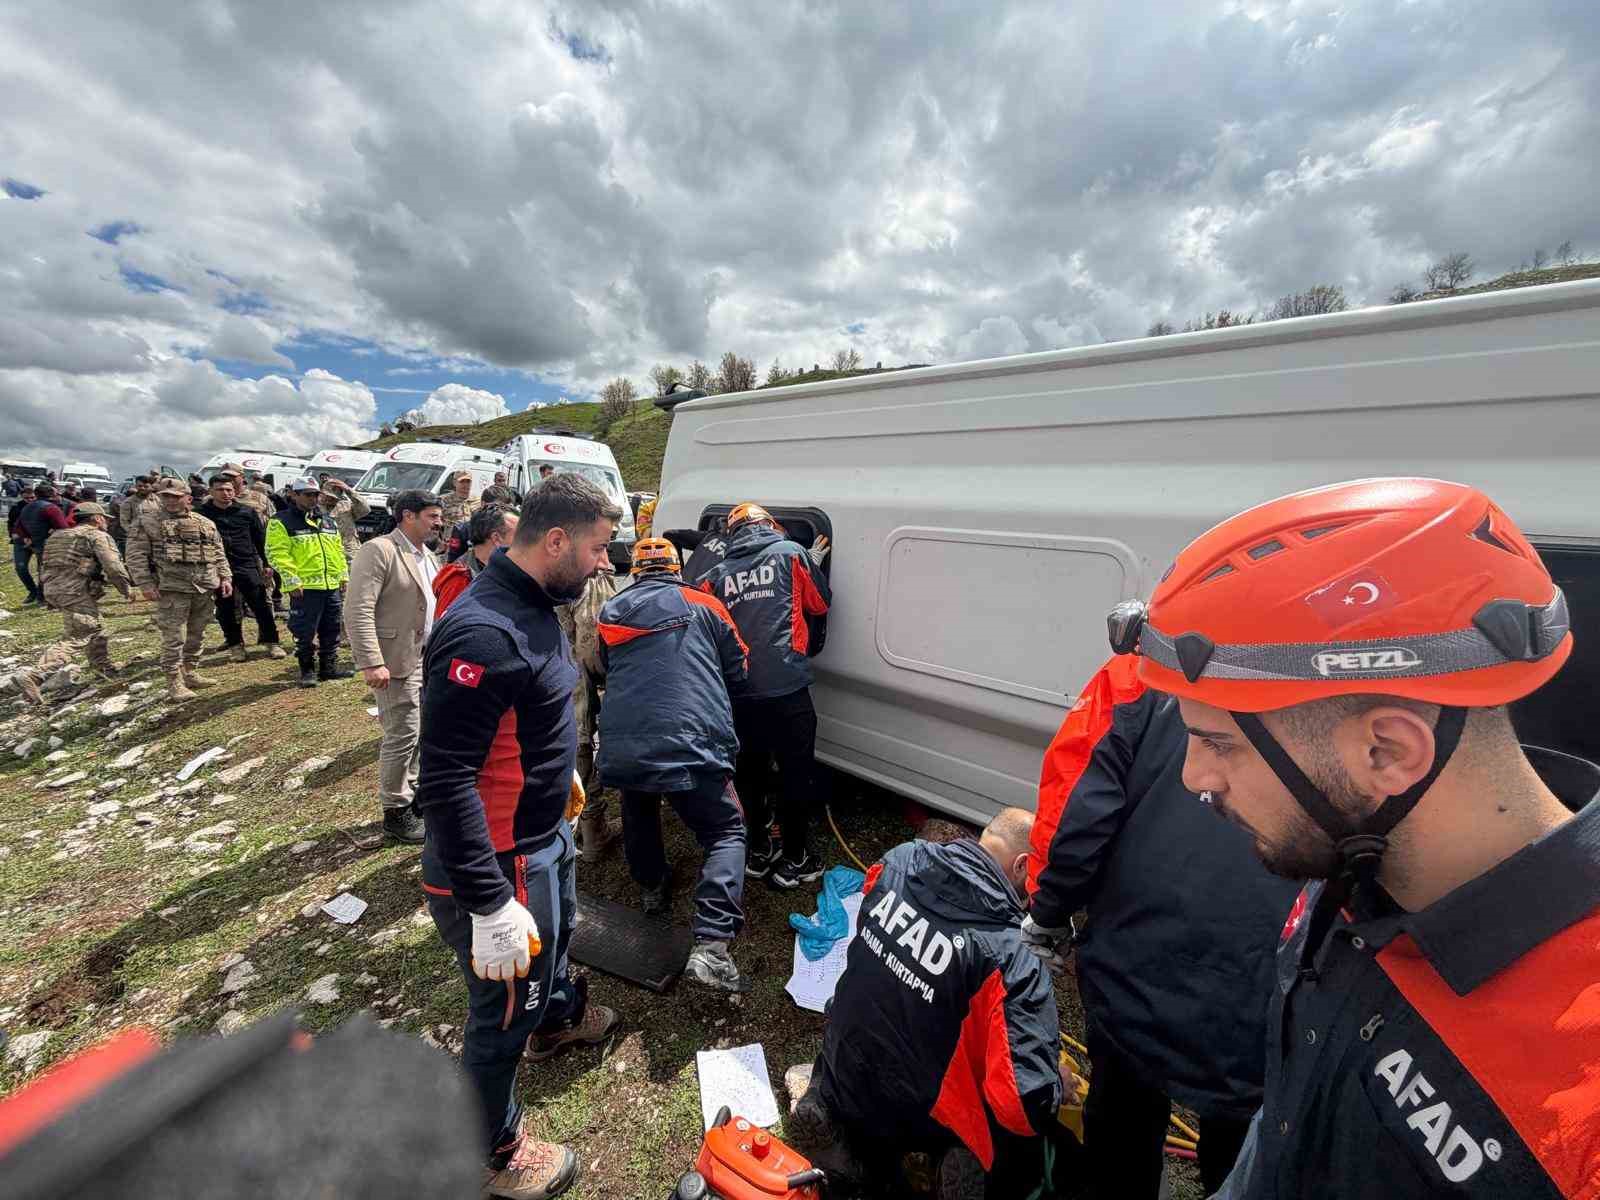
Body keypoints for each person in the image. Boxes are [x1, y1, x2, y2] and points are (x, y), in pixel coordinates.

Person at [1109, 477, 1597, 1200]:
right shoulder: (1353, 870)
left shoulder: (1579, 1114)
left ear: (1388, 754)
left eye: (1220, 744)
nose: (1194, 778)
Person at [1021, 654, 1299, 1198]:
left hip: (1135, 968)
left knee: (1121, 1130)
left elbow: (1075, 809)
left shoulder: (1144, 666)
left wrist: (1049, 912)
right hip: (1262, 985)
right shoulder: (1340, 675)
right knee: (1241, 1148)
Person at [416, 473, 623, 1200]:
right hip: (500, 865)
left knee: (555, 959)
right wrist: (488, 906)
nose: (605, 564)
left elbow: (527, 717)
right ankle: (493, 1151)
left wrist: (557, 774)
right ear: (557, 540)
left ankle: (556, 1023)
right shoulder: (483, 631)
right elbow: (442, 781)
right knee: (502, 1010)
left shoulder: (537, 604)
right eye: (598, 549)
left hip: (543, 832)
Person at [790, 809, 1066, 1198]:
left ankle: (830, 1111)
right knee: (1021, 1119)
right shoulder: (1011, 956)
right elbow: (1020, 1106)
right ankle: (949, 1160)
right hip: (914, 1105)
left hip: (845, 1055)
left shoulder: (899, 860)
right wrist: (1054, 1083)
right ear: (1022, 866)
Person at [597, 537, 752, 991]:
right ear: (675, 566)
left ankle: (652, 889)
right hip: (691, 736)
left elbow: (606, 665)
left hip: (626, 738)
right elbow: (738, 664)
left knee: (639, 803)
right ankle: (713, 944)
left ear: (638, 572)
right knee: (725, 830)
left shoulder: (610, 612)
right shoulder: (704, 603)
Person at [697, 502, 832, 889]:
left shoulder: (716, 576)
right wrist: (813, 562)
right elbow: (819, 603)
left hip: (740, 693)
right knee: (795, 774)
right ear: (771, 526)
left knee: (750, 776)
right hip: (788, 689)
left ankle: (756, 851)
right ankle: (795, 860)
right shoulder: (791, 554)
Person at [345, 489, 444, 844]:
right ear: (407, 515)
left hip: (427, 657)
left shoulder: (428, 557)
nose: (438, 523)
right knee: (401, 734)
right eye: (432, 516)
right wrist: (372, 661)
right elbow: (358, 609)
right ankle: (396, 812)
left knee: (421, 731)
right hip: (395, 660)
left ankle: (414, 797)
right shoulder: (380, 550)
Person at [10, 503, 133, 704]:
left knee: (95, 625)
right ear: (97, 518)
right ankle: (35, 675)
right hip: (75, 590)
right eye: (105, 519)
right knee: (80, 633)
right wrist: (125, 588)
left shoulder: (58, 536)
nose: (107, 523)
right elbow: (113, 566)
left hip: (53, 588)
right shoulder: (96, 536)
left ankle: (103, 666)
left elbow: (46, 563)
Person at [127, 479, 232, 700]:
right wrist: (145, 584)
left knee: (198, 632)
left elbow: (217, 550)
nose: (170, 500)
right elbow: (136, 556)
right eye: (166, 496)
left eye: (176, 496)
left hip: (204, 585)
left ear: (188, 498)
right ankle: (174, 681)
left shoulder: (205, 522)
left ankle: (190, 671)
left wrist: (225, 577)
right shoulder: (147, 522)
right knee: (174, 636)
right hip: (171, 587)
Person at [556, 561, 628, 853]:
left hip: (551, 667)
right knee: (581, 740)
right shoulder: (583, 575)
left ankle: (581, 827)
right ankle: (592, 829)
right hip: (572, 671)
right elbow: (591, 647)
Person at [265, 477, 352, 689]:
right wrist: (291, 580)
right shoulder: (281, 521)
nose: (312, 498)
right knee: (304, 630)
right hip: (304, 588)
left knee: (331, 629)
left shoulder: (327, 521)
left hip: (330, 586)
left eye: (315, 494)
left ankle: (328, 669)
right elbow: (276, 553)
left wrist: (343, 576)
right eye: (307, 494)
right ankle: (307, 671)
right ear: (294, 495)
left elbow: (337, 551)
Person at [198, 476, 284, 662]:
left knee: (260, 604)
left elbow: (260, 539)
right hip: (218, 567)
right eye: (220, 489)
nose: (225, 493)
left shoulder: (246, 512)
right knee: (226, 608)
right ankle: (236, 645)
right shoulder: (201, 514)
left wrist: (267, 564)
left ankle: (272, 642)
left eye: (229, 490)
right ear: (211, 491)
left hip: (246, 564)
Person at [432, 503, 517, 616]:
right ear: (496, 538)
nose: (524, 542)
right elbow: (447, 628)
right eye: (518, 536)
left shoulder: (505, 571)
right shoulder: (459, 578)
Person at [16, 483, 73, 605]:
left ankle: (42, 598)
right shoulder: (51, 508)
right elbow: (63, 528)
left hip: (36, 543)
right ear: (51, 494)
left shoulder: (26, 508)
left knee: (43, 570)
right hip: (50, 544)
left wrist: (27, 537)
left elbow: (19, 527)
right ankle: (46, 599)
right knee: (51, 572)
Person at [318, 477, 370, 562]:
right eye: (327, 496)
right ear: (321, 493)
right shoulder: (315, 508)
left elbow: (365, 509)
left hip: (349, 551)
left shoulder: (345, 507)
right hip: (327, 551)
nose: (329, 499)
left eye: (333, 497)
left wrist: (349, 490)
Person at [8, 483, 41, 604]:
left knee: (42, 569)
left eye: (32, 497)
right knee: (20, 568)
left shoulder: (41, 507)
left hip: (38, 541)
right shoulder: (17, 508)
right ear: (22, 497)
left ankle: (42, 593)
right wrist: (13, 534)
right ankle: (33, 591)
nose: (30, 500)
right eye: (27, 498)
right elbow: (11, 524)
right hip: (21, 542)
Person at [437, 472, 479, 542]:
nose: (465, 485)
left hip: (472, 543)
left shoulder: (478, 501)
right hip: (450, 543)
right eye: (462, 481)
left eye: (468, 481)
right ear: (454, 483)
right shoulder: (443, 500)